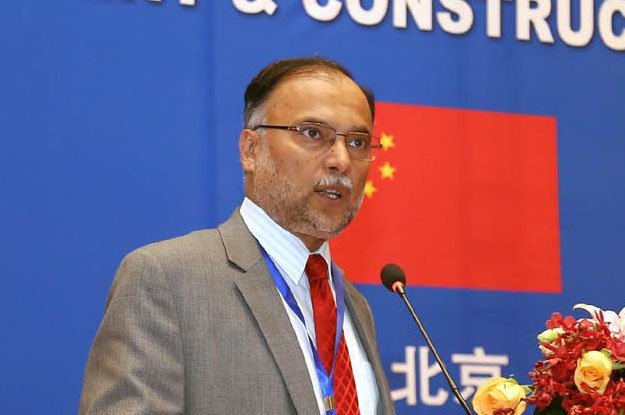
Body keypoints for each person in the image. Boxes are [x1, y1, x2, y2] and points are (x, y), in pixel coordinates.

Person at [80, 57, 396, 415]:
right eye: (312, 134)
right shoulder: (166, 279)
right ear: (250, 150)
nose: (341, 159)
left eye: (357, 142)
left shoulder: (354, 305)